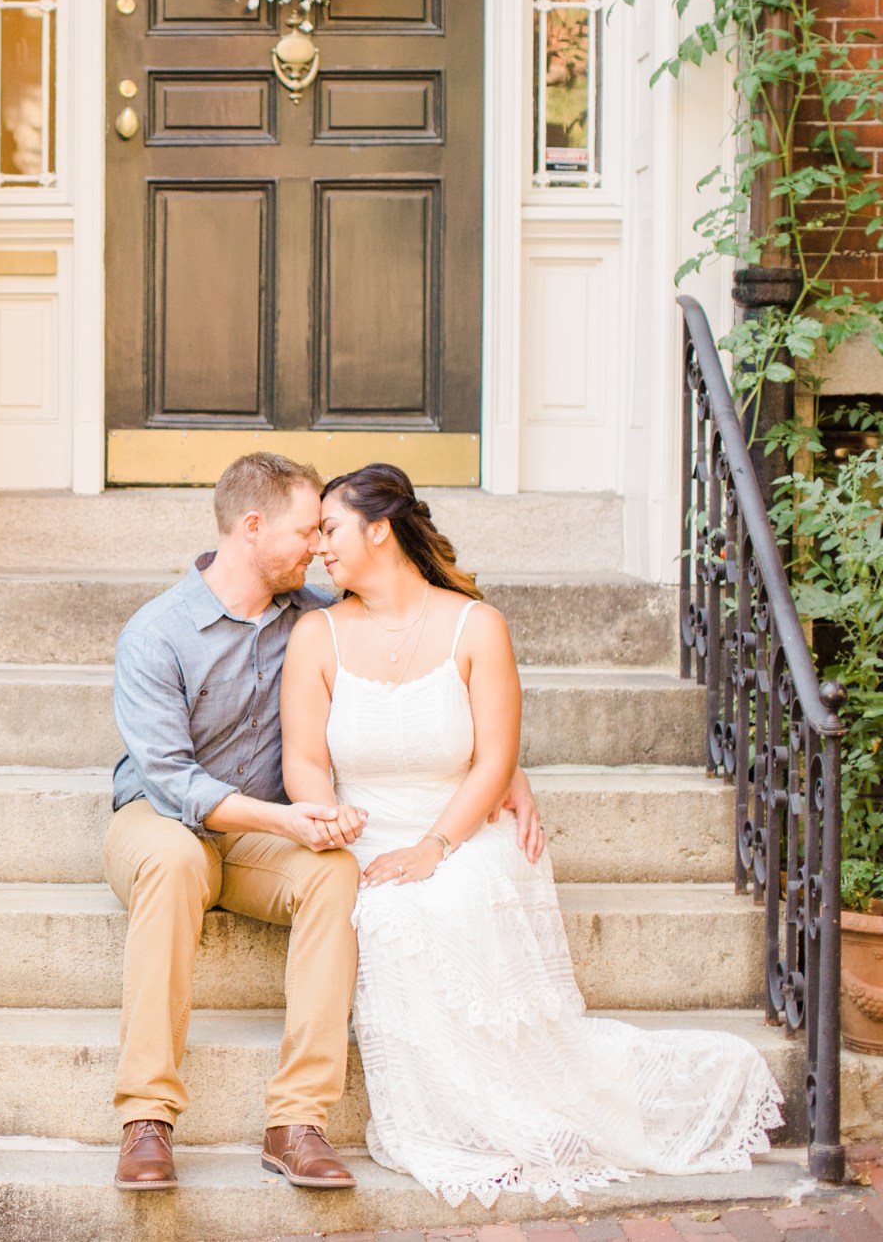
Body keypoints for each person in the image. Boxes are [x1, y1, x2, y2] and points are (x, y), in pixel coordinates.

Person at [277, 463, 782, 1207]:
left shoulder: (476, 626)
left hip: (463, 826)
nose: (320, 546)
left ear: (378, 529)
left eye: (331, 528)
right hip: (361, 832)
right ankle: (448, 1111)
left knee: (440, 897)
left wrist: (434, 847)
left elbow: (495, 761)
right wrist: (326, 814)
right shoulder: (315, 634)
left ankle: (508, 1108)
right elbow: (304, 759)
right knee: (379, 905)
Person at [104, 452, 544, 1191]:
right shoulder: (157, 632)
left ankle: (296, 1118)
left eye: (324, 529)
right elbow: (174, 780)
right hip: (160, 821)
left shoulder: (314, 615)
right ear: (252, 527)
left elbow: (419, 682)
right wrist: (285, 817)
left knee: (337, 874)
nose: (317, 544)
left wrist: (509, 772)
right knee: (177, 861)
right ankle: (146, 1116)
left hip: (262, 837)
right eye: (306, 529)